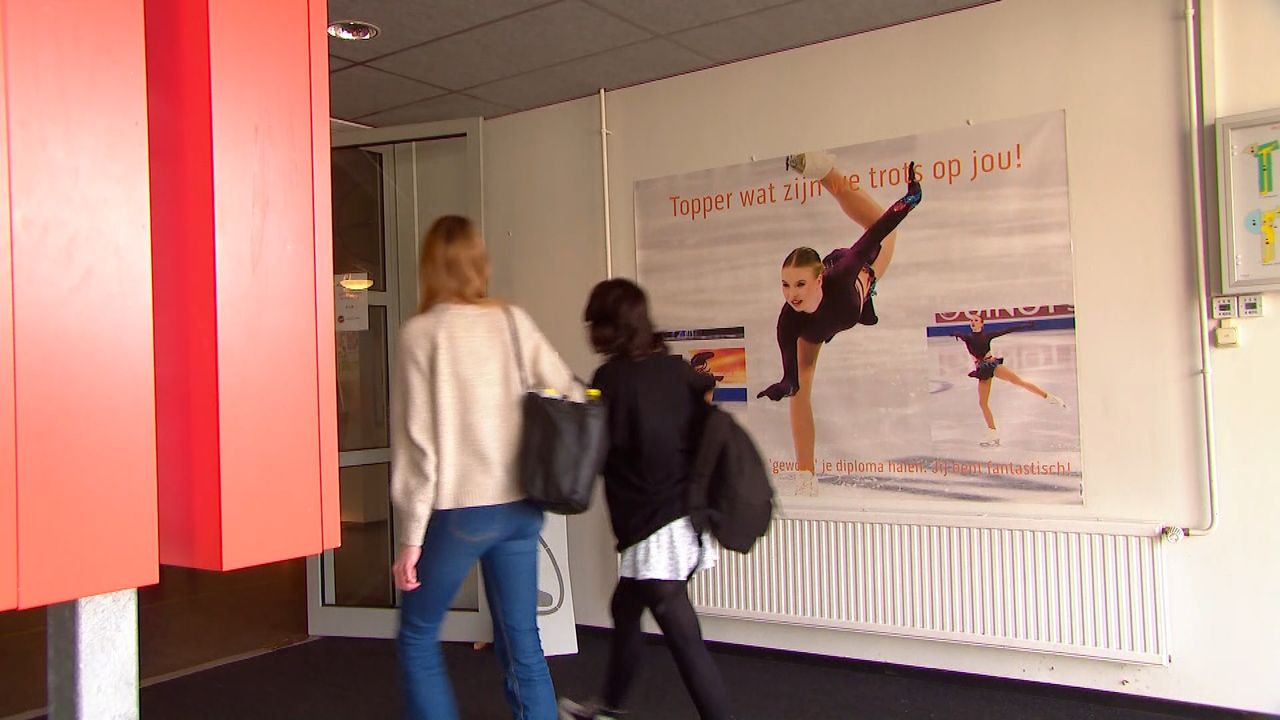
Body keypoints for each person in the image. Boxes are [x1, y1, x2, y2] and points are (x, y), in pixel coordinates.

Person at [391, 215, 576, 720]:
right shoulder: (512, 320)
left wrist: (410, 540)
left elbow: (419, 444)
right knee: (523, 642)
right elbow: (569, 389)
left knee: (418, 636)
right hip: (520, 508)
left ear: (430, 266)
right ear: (479, 262)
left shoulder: (421, 334)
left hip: (461, 513)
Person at [558, 279, 733, 720]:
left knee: (683, 638)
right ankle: (611, 707)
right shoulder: (677, 370)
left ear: (610, 327)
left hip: (653, 527)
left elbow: (598, 454)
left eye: (594, 323)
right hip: (684, 520)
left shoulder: (611, 378)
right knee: (625, 607)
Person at [756, 151, 923, 495]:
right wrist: (783, 385)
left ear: (817, 281)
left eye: (799, 284)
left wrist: (912, 197)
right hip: (820, 326)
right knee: (801, 391)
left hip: (863, 277)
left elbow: (881, 228)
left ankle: (826, 172)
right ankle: (806, 477)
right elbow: (791, 380)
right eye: (785, 285)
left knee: (880, 229)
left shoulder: (844, 272)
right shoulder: (789, 321)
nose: (791, 294)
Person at [951, 314, 1067, 447]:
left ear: (982, 324)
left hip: (992, 366)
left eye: (976, 320)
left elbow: (1006, 330)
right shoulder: (967, 338)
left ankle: (1050, 397)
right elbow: (960, 335)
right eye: (971, 321)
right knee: (983, 403)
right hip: (982, 371)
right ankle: (993, 433)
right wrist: (955, 333)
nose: (973, 322)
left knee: (1019, 382)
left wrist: (1024, 325)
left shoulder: (987, 336)